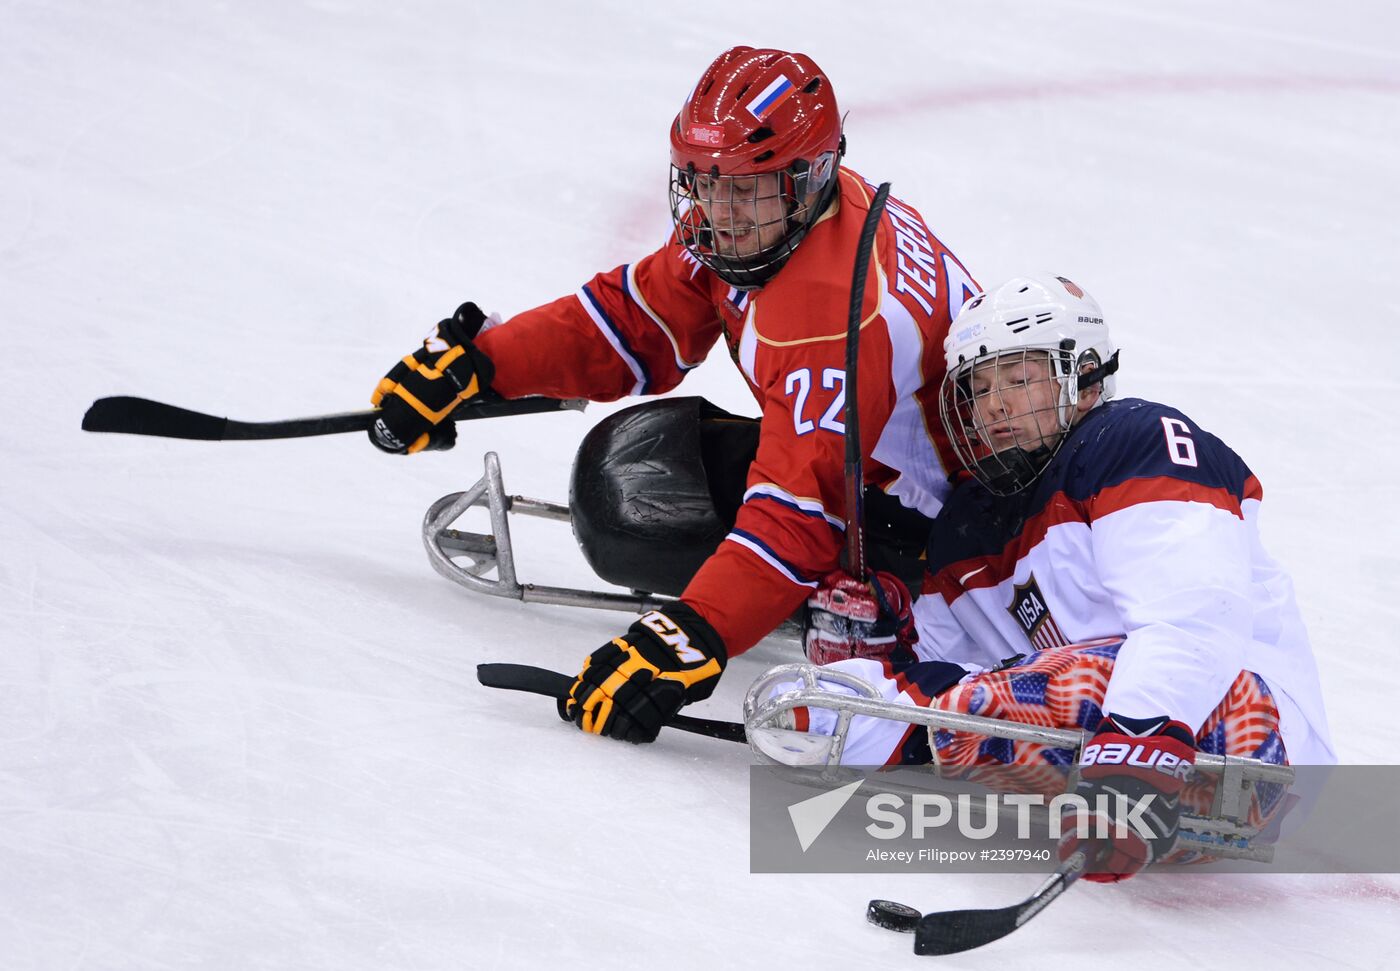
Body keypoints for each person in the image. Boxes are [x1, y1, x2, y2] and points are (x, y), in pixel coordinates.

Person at [364, 46, 977, 743]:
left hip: (950, 541)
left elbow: (799, 516)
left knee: (636, 505)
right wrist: (480, 365)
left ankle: (895, 600)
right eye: (704, 184)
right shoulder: (784, 217)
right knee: (637, 466)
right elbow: (635, 321)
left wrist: (692, 634)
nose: (719, 212)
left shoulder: (835, 319)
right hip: (886, 468)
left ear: (812, 177)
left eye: (742, 191)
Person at [774, 272, 1335, 880]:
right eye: (979, 388)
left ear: (1086, 373)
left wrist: (1135, 748)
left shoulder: (1136, 439)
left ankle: (880, 735)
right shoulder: (968, 525)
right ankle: (854, 721)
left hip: (1250, 734)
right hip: (1106, 751)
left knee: (1018, 695)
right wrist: (880, 650)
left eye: (1018, 379)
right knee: (854, 699)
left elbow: (1197, 617)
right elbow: (960, 673)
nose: (995, 405)